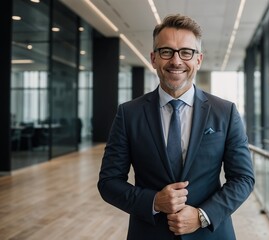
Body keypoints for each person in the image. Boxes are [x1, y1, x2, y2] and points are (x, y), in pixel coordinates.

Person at [98, 14, 254, 240]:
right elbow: (108, 182)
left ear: (198, 60)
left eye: (186, 52)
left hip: (210, 234)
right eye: (166, 51)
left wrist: (202, 215)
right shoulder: (128, 114)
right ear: (153, 58)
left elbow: (243, 178)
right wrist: (153, 202)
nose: (176, 61)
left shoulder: (225, 112)